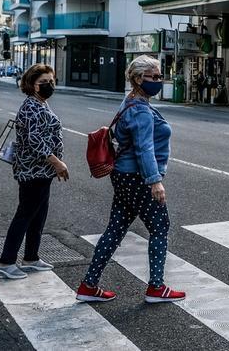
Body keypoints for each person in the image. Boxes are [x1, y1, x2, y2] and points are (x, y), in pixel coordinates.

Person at [76, 55, 185, 304]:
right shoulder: (141, 112)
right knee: (160, 227)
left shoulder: (132, 101)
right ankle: (156, 287)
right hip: (137, 178)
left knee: (115, 230)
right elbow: (144, 149)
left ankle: (88, 284)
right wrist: (154, 181)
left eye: (160, 76)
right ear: (137, 79)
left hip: (123, 177)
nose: (158, 81)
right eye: (153, 77)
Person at [0, 64, 69, 280]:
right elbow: (35, 141)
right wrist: (57, 163)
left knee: (38, 215)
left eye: (52, 81)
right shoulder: (31, 107)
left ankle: (31, 258)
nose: (49, 85)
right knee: (25, 215)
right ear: (32, 85)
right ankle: (6, 262)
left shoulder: (40, 104)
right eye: (44, 82)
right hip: (32, 171)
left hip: (41, 171)